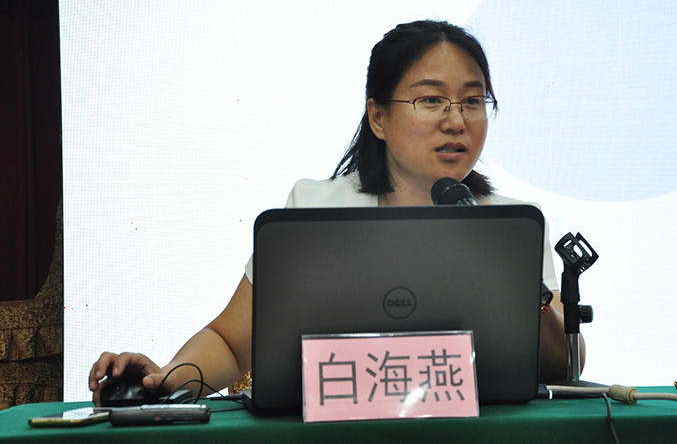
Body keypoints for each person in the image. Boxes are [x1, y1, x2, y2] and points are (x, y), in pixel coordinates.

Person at [89, 20, 585, 404]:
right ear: (378, 117)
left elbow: (564, 365)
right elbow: (231, 342)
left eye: (473, 101)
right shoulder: (315, 209)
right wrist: (163, 381)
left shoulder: (512, 223)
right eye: (432, 100)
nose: (456, 120)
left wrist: (516, 276)